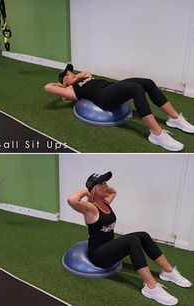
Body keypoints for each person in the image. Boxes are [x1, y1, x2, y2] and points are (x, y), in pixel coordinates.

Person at [67, 171, 192, 305]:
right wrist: (87, 190)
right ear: (93, 189)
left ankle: (168, 272)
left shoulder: (105, 202)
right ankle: (152, 288)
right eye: (101, 184)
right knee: (132, 240)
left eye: (105, 182)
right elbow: (71, 200)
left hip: (109, 247)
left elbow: (113, 192)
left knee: (142, 235)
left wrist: (101, 188)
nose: (106, 186)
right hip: (98, 255)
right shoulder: (90, 208)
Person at [44, 64, 194, 152]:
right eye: (68, 75)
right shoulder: (70, 90)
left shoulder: (83, 78)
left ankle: (175, 119)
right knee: (136, 88)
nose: (72, 74)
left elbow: (87, 73)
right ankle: (157, 134)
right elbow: (47, 87)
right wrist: (62, 85)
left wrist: (77, 77)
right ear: (65, 84)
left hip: (111, 87)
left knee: (147, 82)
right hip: (104, 97)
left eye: (71, 72)